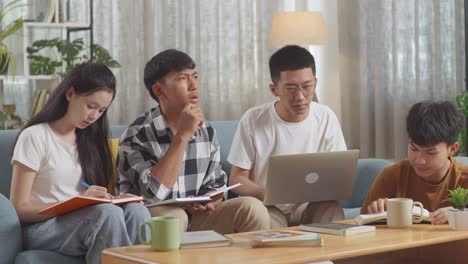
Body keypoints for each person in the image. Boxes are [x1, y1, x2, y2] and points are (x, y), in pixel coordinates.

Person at [9, 62, 150, 264]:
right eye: (90, 106)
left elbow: (90, 199)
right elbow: (19, 208)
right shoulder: (35, 137)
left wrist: (117, 199)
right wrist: (76, 201)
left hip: (84, 221)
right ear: (70, 94)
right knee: (106, 215)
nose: (93, 116)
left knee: (137, 211)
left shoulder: (90, 141)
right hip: (41, 229)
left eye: (101, 110)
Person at [117, 49, 269, 234]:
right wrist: (182, 136)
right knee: (175, 217)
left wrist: (209, 200)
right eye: (182, 78)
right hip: (152, 218)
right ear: (158, 90)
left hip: (197, 218)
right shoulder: (137, 135)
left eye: (194, 76)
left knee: (252, 208)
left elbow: (216, 184)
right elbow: (154, 192)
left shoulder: (206, 129)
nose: (193, 85)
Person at [227, 45, 346, 228]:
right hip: (268, 205)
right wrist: (267, 194)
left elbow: (338, 172)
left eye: (307, 87)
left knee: (331, 208)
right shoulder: (253, 119)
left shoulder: (325, 116)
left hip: (309, 205)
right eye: (291, 89)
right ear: (274, 89)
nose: (300, 97)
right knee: (267, 220)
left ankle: (330, 258)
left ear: (315, 82)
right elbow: (236, 179)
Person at [361, 101, 468, 225]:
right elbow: (361, 225)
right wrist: (376, 211)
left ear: (453, 149)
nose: (420, 160)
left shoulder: (464, 178)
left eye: (431, 153)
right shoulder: (392, 175)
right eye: (414, 148)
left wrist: (461, 215)